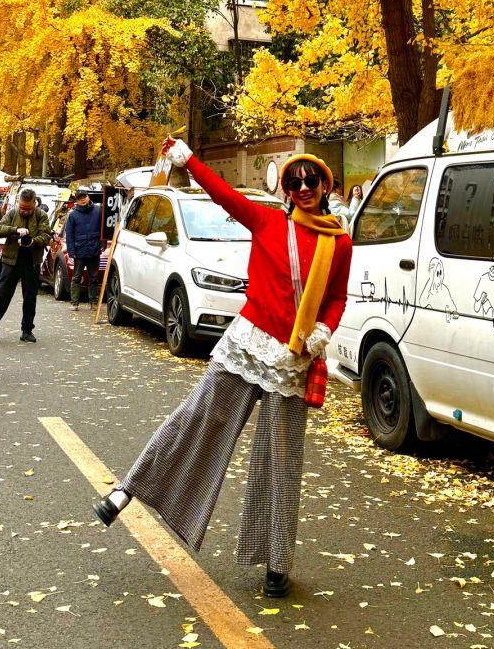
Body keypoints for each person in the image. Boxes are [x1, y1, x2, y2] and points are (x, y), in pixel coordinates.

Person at [94, 139, 351, 600]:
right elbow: (223, 193)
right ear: (288, 190)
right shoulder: (268, 220)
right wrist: (189, 159)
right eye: (296, 181)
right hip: (248, 342)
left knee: (281, 460)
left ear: (325, 186)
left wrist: (324, 331)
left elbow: (336, 298)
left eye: (312, 180)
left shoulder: (340, 242)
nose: (304, 187)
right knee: (198, 417)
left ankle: (277, 564)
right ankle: (127, 491)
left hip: (292, 358)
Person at [0, 188, 51, 343]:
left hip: (32, 261)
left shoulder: (41, 215)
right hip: (11, 261)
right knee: (2, 296)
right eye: (21, 207)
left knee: (30, 298)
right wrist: (15, 230)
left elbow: (46, 235)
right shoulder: (12, 214)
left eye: (27, 208)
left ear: (34, 203)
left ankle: (27, 330)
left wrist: (33, 241)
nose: (24, 211)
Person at [65, 188, 101, 310]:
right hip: (79, 249)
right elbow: (69, 234)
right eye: (80, 198)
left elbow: (104, 229)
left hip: (94, 248)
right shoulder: (73, 215)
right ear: (77, 200)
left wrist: (103, 244)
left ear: (88, 197)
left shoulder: (98, 210)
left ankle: (93, 302)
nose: (83, 200)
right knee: (76, 277)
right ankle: (74, 302)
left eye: (84, 197)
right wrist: (71, 251)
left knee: (94, 277)